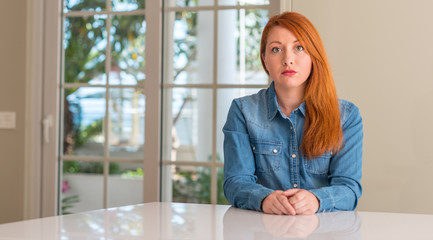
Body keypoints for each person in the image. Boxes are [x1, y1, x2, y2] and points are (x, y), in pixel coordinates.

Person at [222, 11, 363, 215]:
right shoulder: (243, 111)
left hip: (326, 231)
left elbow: (349, 189)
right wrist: (265, 199)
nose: (288, 59)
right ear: (264, 59)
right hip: (263, 229)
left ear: (314, 56)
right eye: (276, 49)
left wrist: (316, 200)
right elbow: (235, 183)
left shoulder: (347, 116)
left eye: (299, 48)